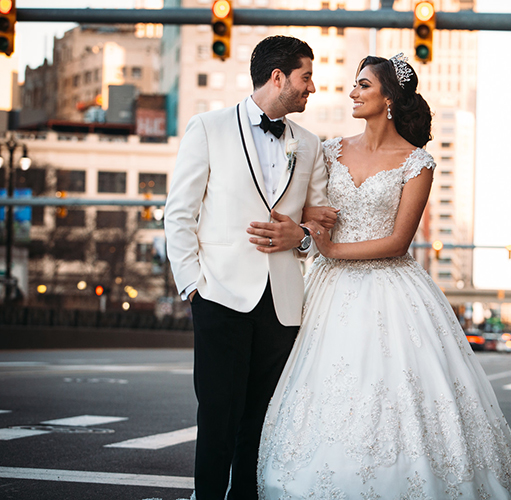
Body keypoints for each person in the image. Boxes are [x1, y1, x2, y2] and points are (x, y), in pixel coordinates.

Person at [255, 54, 511, 500]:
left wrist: (329, 249)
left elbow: (398, 242)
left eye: (363, 85)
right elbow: (307, 207)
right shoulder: (328, 150)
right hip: (330, 290)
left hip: (392, 287)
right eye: (354, 84)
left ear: (388, 98)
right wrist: (307, 229)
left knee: (398, 390)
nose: (352, 92)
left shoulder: (418, 162)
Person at [164, 35, 333, 500]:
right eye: (306, 77)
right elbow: (179, 214)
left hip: (282, 305)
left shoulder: (311, 145)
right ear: (278, 77)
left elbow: (320, 225)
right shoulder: (208, 128)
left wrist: (298, 237)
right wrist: (192, 287)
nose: (311, 88)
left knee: (261, 421)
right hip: (218, 295)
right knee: (218, 415)